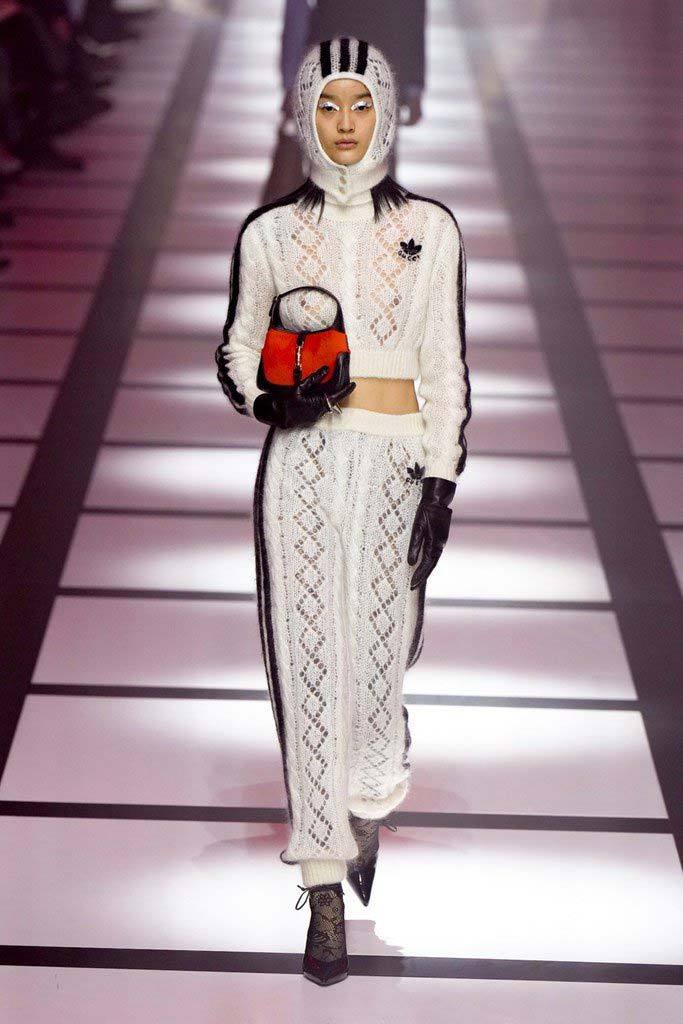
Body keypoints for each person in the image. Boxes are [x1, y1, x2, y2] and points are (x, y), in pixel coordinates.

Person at [216, 35, 471, 987]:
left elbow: (445, 364)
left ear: (388, 111)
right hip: (301, 470)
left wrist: (440, 482)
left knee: (379, 665)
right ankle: (321, 888)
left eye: (361, 103)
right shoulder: (270, 234)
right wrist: (267, 400)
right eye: (328, 104)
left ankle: (368, 792)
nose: (346, 123)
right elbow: (237, 347)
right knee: (307, 667)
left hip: (397, 467)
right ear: (302, 114)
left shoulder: (431, 229)